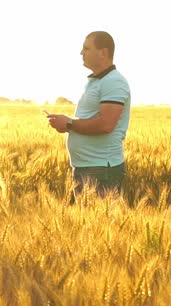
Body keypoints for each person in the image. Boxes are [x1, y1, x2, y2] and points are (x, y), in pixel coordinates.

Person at [46, 31, 131, 202]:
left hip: (100, 169)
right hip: (87, 167)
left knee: (103, 224)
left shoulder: (113, 82)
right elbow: (91, 119)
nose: (81, 52)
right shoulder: (95, 81)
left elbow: (106, 125)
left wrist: (69, 124)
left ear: (103, 53)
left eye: (86, 48)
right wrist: (65, 123)